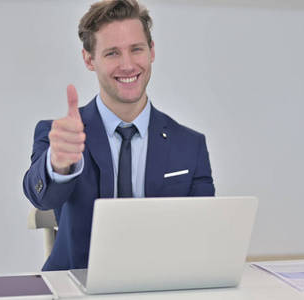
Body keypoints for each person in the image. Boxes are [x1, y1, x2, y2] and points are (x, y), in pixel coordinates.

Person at [23, 0, 215, 271]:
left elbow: (205, 235)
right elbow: (41, 197)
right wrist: (58, 164)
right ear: (89, 59)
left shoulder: (190, 145)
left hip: (163, 287)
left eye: (136, 49)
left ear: (151, 52)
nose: (127, 65)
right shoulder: (63, 135)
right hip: (77, 286)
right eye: (112, 53)